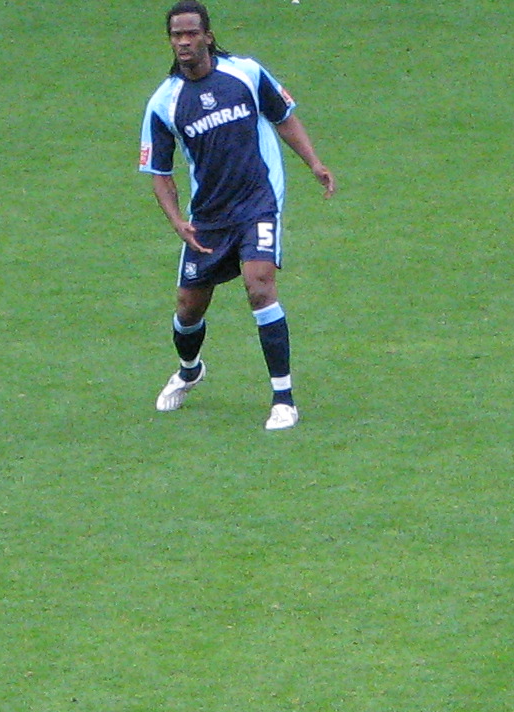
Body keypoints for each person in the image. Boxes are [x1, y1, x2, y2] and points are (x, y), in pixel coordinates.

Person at [137, 4, 335, 430]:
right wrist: (177, 221)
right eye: (177, 35)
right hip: (208, 218)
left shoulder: (245, 73)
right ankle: (190, 369)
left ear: (208, 36)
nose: (184, 42)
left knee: (259, 286)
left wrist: (314, 163)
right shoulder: (164, 102)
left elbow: (284, 118)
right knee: (188, 309)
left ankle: (284, 399)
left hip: (257, 202)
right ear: (170, 40)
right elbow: (159, 172)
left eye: (192, 33)